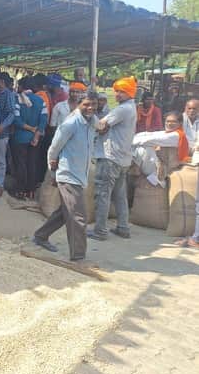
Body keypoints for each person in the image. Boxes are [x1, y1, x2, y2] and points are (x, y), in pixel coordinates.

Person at [32, 93, 99, 261]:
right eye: (86, 104)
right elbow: (54, 148)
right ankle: (78, 256)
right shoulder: (71, 123)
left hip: (80, 174)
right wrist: (53, 171)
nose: (90, 107)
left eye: (94, 104)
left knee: (65, 212)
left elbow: (101, 126)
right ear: (78, 104)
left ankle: (40, 236)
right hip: (68, 174)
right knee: (78, 217)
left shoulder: (92, 121)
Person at [89, 76, 138, 241]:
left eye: (121, 92)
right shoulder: (130, 107)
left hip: (110, 157)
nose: (117, 94)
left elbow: (101, 126)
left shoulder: (122, 109)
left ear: (129, 93)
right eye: (116, 91)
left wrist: (90, 115)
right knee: (119, 195)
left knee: (102, 194)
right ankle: (123, 228)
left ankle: (100, 231)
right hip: (122, 159)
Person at [11, 77, 47, 200]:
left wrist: (29, 128)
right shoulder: (40, 100)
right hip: (35, 138)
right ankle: (30, 191)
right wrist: (36, 134)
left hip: (20, 138)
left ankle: (20, 190)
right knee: (32, 163)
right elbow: (43, 120)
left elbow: (16, 120)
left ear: (22, 86)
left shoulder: (17, 99)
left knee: (21, 164)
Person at [132, 111, 190, 182]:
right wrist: (132, 138)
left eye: (173, 122)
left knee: (144, 148)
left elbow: (148, 140)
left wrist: (128, 142)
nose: (169, 124)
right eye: (167, 121)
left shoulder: (176, 135)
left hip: (165, 169)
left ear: (180, 123)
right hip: (158, 164)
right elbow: (147, 134)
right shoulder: (168, 133)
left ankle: (135, 168)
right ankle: (135, 167)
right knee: (142, 146)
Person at [0, 72, 16, 197]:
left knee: (0, 160)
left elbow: (12, 113)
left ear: (2, 81)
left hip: (2, 132)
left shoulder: (8, 94)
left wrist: (3, 125)